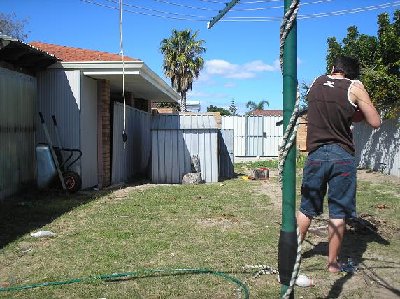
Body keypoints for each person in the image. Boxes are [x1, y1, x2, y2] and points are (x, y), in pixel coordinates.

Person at [297, 55, 381, 273]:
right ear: (351, 74)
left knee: (307, 208)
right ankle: (333, 264)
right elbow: (375, 121)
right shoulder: (354, 86)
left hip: (315, 154)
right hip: (341, 156)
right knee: (338, 212)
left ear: (333, 68)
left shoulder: (315, 83)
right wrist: (361, 93)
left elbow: (337, 111)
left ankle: (293, 255)